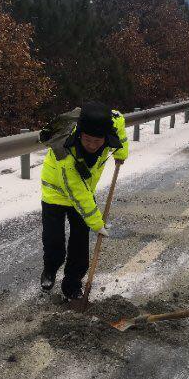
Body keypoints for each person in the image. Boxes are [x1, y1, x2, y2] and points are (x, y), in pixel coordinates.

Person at [39, 102, 128, 302]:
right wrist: (97, 223)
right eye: (87, 140)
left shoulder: (111, 125)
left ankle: (72, 283)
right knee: (54, 241)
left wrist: (122, 152)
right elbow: (77, 193)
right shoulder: (66, 154)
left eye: (97, 141)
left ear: (105, 137)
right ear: (80, 134)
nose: (91, 145)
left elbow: (119, 120)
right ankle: (50, 269)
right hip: (55, 192)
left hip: (84, 190)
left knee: (80, 242)